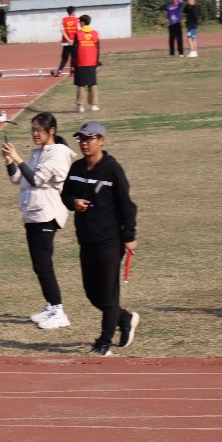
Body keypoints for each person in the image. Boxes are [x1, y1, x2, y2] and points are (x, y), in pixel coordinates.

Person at [60, 121, 139, 357]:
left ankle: (104, 342)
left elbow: (127, 205)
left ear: (101, 140)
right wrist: (73, 202)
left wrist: (129, 236)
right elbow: (65, 194)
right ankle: (125, 318)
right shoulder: (76, 169)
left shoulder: (113, 170)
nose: (84, 143)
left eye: (89, 139)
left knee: (109, 293)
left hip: (110, 241)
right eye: (81, 139)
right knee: (93, 294)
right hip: (86, 240)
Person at [1, 112, 78, 330]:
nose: (34, 134)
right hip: (33, 213)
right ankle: (51, 306)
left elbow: (36, 179)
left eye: (39, 130)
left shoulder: (58, 154)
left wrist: (18, 158)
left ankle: (59, 311)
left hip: (47, 214)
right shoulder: (38, 153)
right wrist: (9, 162)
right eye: (32, 129)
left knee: (44, 264)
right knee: (39, 264)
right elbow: (18, 178)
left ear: (51, 131)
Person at [72, 14, 100, 113]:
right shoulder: (95, 34)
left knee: (81, 84)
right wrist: (97, 62)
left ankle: (80, 106)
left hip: (81, 61)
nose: (79, 24)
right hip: (92, 61)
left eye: (80, 22)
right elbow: (98, 49)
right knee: (92, 83)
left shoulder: (78, 34)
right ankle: (94, 105)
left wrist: (72, 64)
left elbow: (74, 50)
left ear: (83, 23)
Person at [55, 6, 78, 75]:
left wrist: (68, 39)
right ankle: (72, 72)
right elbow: (78, 31)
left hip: (66, 42)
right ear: (73, 12)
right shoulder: (77, 20)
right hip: (74, 42)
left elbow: (62, 30)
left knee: (64, 58)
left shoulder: (63, 20)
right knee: (74, 57)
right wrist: (72, 40)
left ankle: (60, 71)